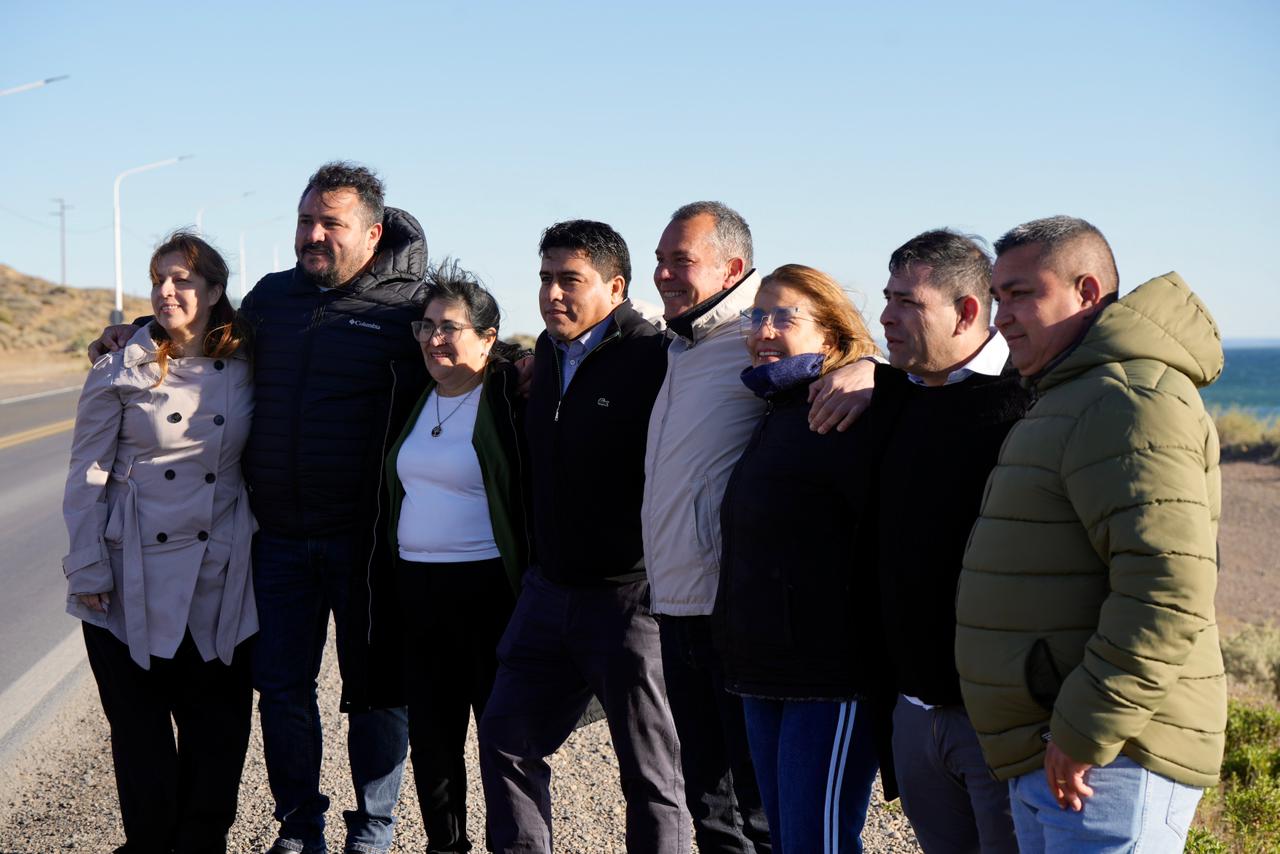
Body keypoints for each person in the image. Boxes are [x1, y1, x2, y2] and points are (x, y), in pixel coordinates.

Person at [91, 161, 427, 854]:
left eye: (331, 223)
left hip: (365, 540)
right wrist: (135, 332)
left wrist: (520, 365)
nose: (314, 235)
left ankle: (372, 829)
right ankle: (300, 827)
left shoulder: (409, 309)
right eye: (305, 220)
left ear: (372, 232)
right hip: (275, 539)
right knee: (281, 690)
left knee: (375, 691)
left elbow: (467, 349)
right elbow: (200, 331)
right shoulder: (272, 298)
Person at [955, 216, 1227, 851]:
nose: (1002, 316)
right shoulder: (1071, 394)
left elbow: (1167, 587)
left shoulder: (1127, 399)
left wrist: (1086, 728)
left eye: (1022, 294)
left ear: (1086, 291)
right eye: (997, 297)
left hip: (1112, 758)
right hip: (1065, 751)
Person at [643, 202, 877, 854]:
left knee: (786, 826)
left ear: (732, 269)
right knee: (724, 810)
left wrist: (873, 371)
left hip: (794, 649)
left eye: (681, 259)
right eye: (659, 260)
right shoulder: (713, 365)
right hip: (704, 622)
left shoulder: (842, 401)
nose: (664, 273)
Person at [478, 219, 689, 853]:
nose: (552, 293)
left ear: (615, 287)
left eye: (570, 280)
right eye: (545, 278)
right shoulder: (544, 353)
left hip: (630, 599)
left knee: (652, 774)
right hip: (548, 591)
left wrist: (858, 374)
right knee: (505, 736)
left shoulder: (657, 357)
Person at [63, 231, 257, 853]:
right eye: (158, 280)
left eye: (183, 280)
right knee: (140, 733)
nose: (166, 291)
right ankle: (149, 844)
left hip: (217, 573)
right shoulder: (119, 366)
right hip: (129, 575)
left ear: (215, 292)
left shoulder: (252, 363)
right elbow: (87, 474)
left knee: (218, 732)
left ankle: (202, 843)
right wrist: (87, 566)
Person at [713, 264, 891, 854]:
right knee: (788, 838)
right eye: (756, 316)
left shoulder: (853, 406)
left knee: (818, 842)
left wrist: (877, 371)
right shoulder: (777, 405)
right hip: (761, 665)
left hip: (830, 672)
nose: (763, 331)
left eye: (784, 317)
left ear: (831, 333)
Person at [867, 229, 1027, 853]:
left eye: (908, 302)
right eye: (887, 298)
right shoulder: (893, 397)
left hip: (1001, 724)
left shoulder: (1026, 401)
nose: (887, 315)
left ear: (966, 312)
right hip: (912, 712)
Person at [383, 261, 530, 854]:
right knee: (432, 737)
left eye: (450, 327)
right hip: (417, 592)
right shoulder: (412, 397)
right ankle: (445, 846)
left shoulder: (509, 397)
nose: (434, 339)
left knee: (501, 736)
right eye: (426, 326)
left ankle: (512, 844)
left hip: (488, 591)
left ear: (488, 339)